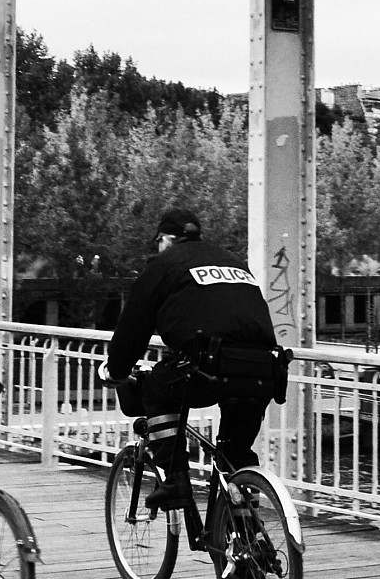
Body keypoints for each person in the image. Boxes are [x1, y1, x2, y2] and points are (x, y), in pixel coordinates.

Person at [102, 208, 287, 539]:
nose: (158, 247)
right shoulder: (232, 261)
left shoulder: (164, 265)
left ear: (168, 239)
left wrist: (116, 371)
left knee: (157, 388)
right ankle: (245, 539)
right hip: (264, 368)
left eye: (159, 241)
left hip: (210, 364)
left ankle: (174, 480)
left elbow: (133, 328)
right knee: (235, 455)